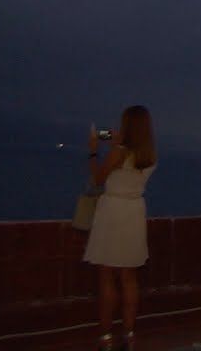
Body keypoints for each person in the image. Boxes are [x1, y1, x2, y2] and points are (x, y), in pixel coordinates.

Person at [84, 105, 157, 351]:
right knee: (129, 277)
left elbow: (98, 179)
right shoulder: (150, 156)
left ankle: (106, 337)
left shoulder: (118, 153)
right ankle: (129, 333)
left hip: (113, 212)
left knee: (107, 275)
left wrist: (94, 153)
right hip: (134, 212)